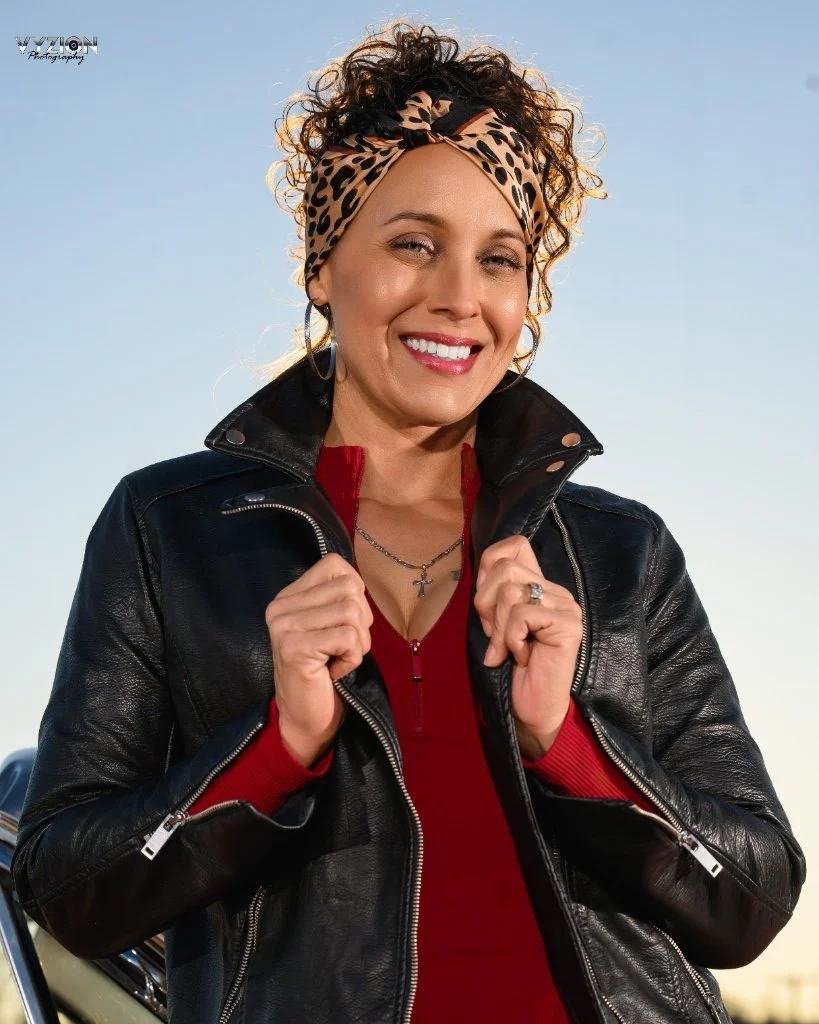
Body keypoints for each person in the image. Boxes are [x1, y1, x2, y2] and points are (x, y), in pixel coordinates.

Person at [11, 19, 805, 1024]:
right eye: (413, 244)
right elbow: (67, 888)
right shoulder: (168, 531)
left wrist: (567, 739)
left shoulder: (619, 552)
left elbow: (754, 897)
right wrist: (277, 742)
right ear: (322, 263)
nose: (459, 298)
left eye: (500, 259)